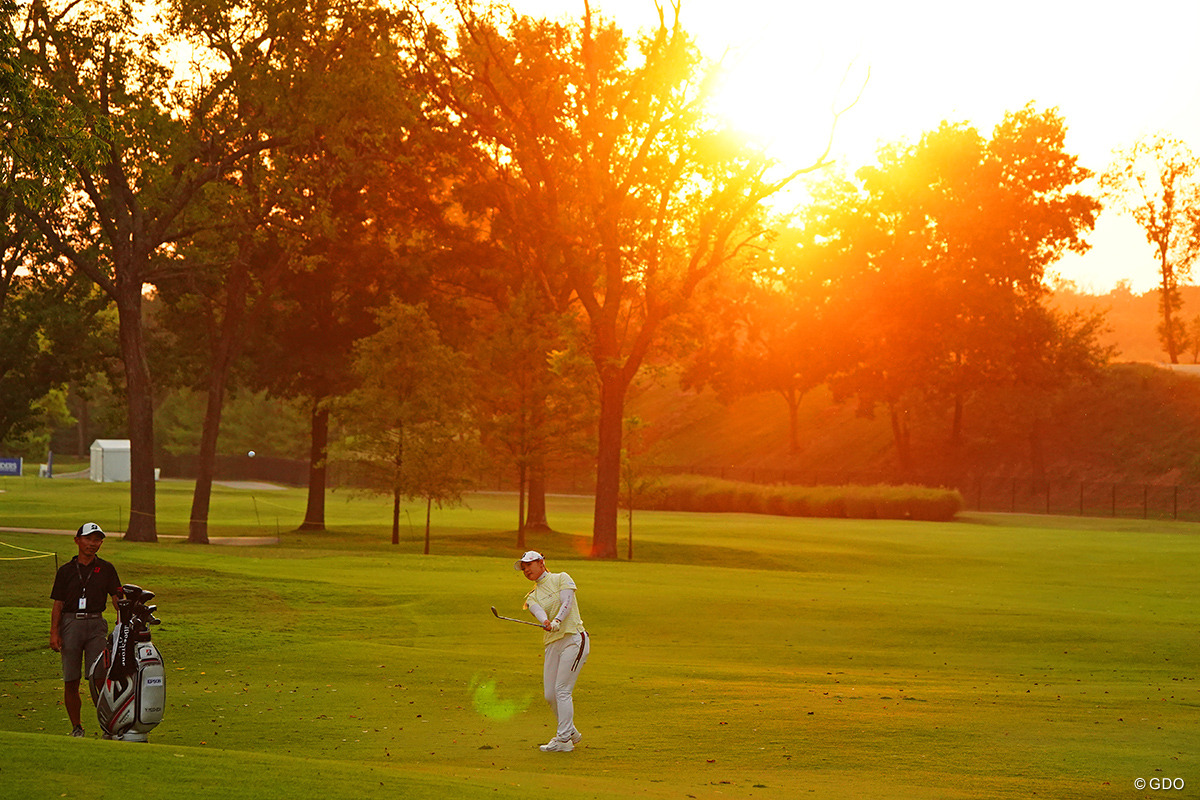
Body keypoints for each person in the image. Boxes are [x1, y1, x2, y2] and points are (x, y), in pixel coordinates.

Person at [50, 522, 123, 737]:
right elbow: (58, 604)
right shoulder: (66, 571)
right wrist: (54, 633)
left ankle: (109, 726)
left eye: (97, 540)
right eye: (88, 539)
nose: (92, 543)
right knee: (71, 679)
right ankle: (77, 727)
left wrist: (123, 623)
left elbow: (117, 599)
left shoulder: (107, 569)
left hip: (96, 624)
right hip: (71, 624)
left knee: (100, 678)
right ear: (77, 540)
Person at [515, 550, 589, 752]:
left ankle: (564, 740)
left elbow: (567, 602)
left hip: (573, 638)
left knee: (562, 690)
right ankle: (571, 732)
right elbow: (538, 612)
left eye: (529, 565)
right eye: (523, 568)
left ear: (541, 562)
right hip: (552, 644)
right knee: (550, 695)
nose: (526, 570)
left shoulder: (561, 578)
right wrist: (546, 622)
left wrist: (557, 620)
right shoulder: (531, 597)